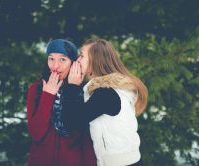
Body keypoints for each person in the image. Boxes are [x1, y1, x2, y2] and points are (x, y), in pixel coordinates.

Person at [62, 38, 148, 166]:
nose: (78, 60)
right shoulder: (114, 89)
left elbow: (70, 122)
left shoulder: (105, 94)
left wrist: (72, 86)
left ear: (95, 61)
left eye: (82, 56)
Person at [26, 39, 96, 166]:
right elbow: (36, 133)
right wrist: (47, 96)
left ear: (73, 63)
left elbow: (86, 140)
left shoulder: (85, 91)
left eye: (63, 59)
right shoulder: (36, 89)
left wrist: (73, 88)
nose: (55, 66)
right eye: (51, 59)